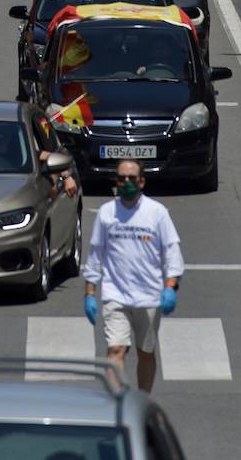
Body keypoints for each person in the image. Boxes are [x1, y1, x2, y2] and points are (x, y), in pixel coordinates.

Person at [82, 158, 183, 392]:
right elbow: (96, 254)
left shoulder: (157, 213)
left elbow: (172, 252)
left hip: (148, 297)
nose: (126, 183)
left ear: (142, 181)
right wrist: (89, 292)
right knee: (115, 350)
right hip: (115, 296)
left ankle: (143, 401)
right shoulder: (107, 213)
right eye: (121, 178)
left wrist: (170, 286)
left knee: (145, 352)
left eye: (131, 178)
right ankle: (116, 406)